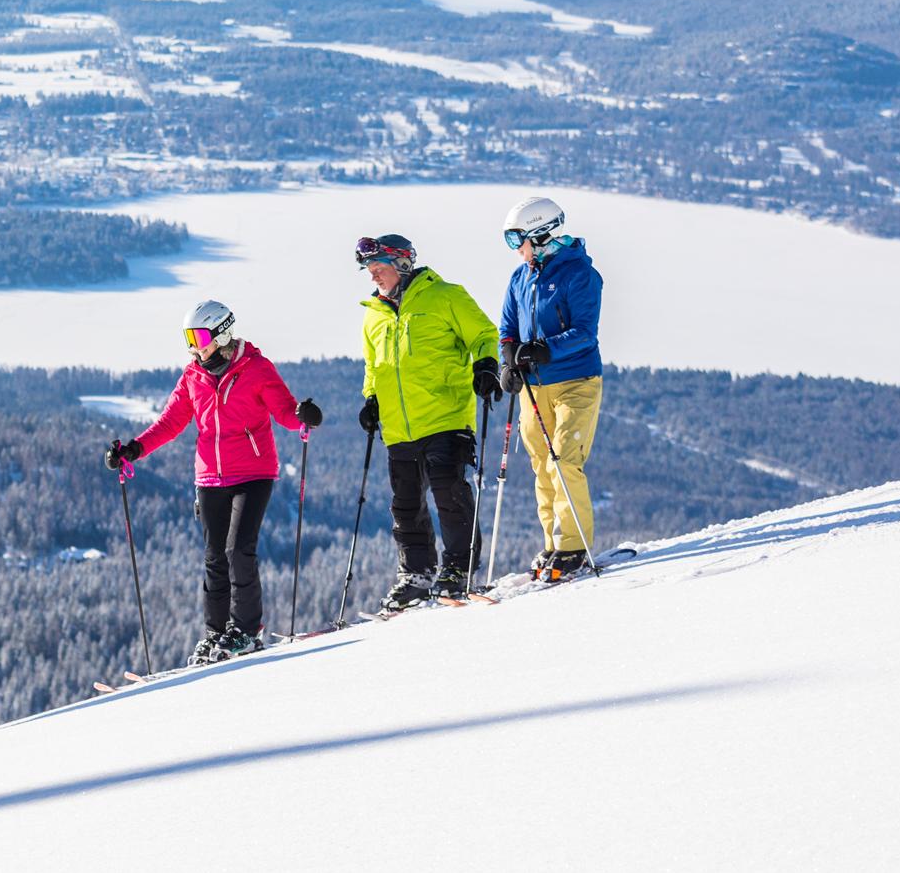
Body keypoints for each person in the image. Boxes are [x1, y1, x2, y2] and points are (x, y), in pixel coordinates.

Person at [104, 299, 322, 664]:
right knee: (214, 557)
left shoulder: (256, 368)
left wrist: (304, 416)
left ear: (222, 333)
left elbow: (285, 411)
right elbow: (171, 422)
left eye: (200, 336)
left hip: (253, 473)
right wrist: (134, 449)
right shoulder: (193, 376)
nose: (194, 345)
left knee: (239, 549)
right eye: (189, 337)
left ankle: (247, 631)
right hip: (209, 477)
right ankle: (216, 633)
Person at [355, 234, 501, 610]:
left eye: (379, 269)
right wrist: (370, 398)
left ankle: (458, 568)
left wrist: (486, 365)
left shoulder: (446, 296)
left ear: (402, 264)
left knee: (448, 492)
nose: (374, 277)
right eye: (369, 271)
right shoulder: (374, 314)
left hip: (446, 415)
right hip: (399, 426)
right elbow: (374, 365)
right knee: (405, 504)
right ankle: (416, 573)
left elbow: (484, 334)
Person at [497, 195, 605, 581]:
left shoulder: (580, 275)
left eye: (518, 240)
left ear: (541, 234)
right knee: (542, 465)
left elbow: (584, 333)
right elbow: (507, 329)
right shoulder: (520, 277)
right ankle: (553, 543)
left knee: (564, 459)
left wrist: (544, 349)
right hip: (534, 387)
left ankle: (573, 544)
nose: (517, 250)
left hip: (576, 380)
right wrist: (508, 362)